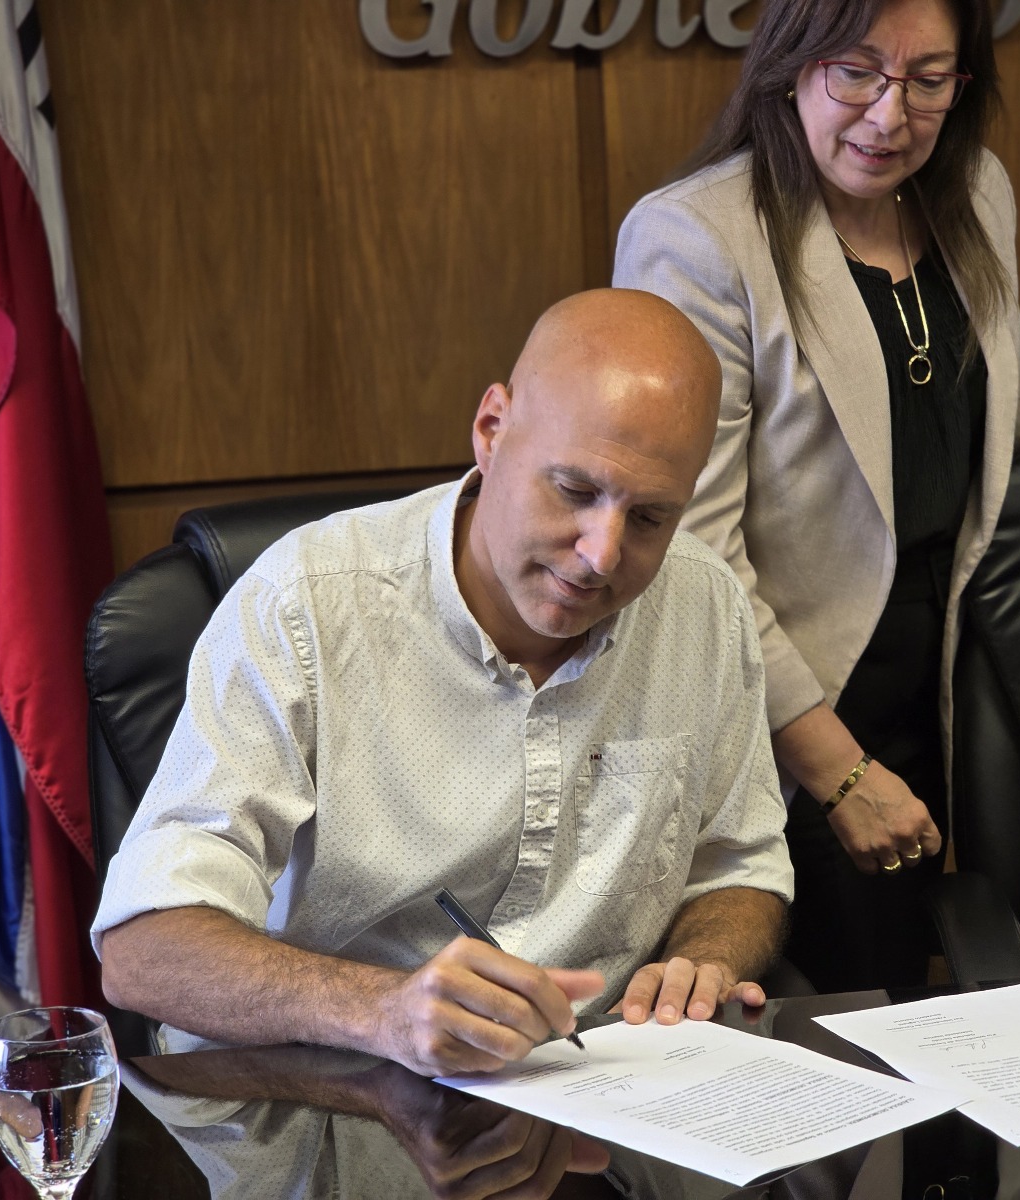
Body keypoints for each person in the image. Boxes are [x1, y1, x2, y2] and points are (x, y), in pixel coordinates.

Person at [612, 0, 1020, 991]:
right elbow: (694, 547)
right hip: (783, 705)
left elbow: (932, 404)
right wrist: (838, 771)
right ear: (790, 65)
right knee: (827, 1008)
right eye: (856, 73)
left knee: (917, 988)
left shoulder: (973, 191)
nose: (890, 116)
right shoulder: (699, 236)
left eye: (927, 81)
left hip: (939, 676)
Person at [94, 290, 794, 1104]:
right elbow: (144, 946)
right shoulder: (305, 603)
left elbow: (740, 865)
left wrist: (705, 959)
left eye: (649, 518)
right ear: (491, 430)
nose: (602, 555)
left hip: (599, 1095)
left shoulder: (704, 604)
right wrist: (384, 1010)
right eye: (575, 491)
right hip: (326, 1093)